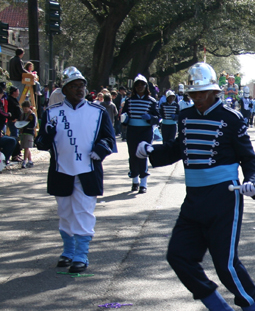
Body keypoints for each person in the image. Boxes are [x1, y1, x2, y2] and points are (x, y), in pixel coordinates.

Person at [138, 62, 255, 311]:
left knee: (226, 265)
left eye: (203, 93)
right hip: (194, 199)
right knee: (179, 255)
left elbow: (249, 159)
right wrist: (151, 150)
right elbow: (176, 150)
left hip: (224, 198)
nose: (197, 98)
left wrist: (252, 181)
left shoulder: (232, 119)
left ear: (214, 92)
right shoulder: (184, 117)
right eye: (193, 93)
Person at [36, 67, 116, 274]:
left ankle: (81, 254)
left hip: (87, 170)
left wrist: (101, 150)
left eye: (81, 85)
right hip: (61, 169)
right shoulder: (51, 113)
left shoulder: (97, 112)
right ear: (65, 89)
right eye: (73, 86)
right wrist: (46, 136)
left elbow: (109, 138)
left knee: (83, 212)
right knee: (64, 212)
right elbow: (42, 144)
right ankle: (68, 251)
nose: (79, 89)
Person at [121, 74, 160, 193]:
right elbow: (124, 114)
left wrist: (150, 118)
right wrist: (124, 119)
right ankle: (134, 181)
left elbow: (158, 117)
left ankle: (143, 183)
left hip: (145, 131)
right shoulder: (129, 100)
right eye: (137, 85)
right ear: (134, 87)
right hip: (132, 130)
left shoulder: (152, 101)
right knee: (132, 155)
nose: (140, 87)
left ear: (146, 86)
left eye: (142, 84)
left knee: (143, 154)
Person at [18, 101, 36, 168]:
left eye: (26, 109)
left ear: (29, 108)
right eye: (23, 109)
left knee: (26, 147)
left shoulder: (32, 115)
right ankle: (30, 161)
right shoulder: (22, 115)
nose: (24, 110)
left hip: (29, 133)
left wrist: (26, 126)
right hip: (23, 132)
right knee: (26, 147)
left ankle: (24, 161)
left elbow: (33, 124)